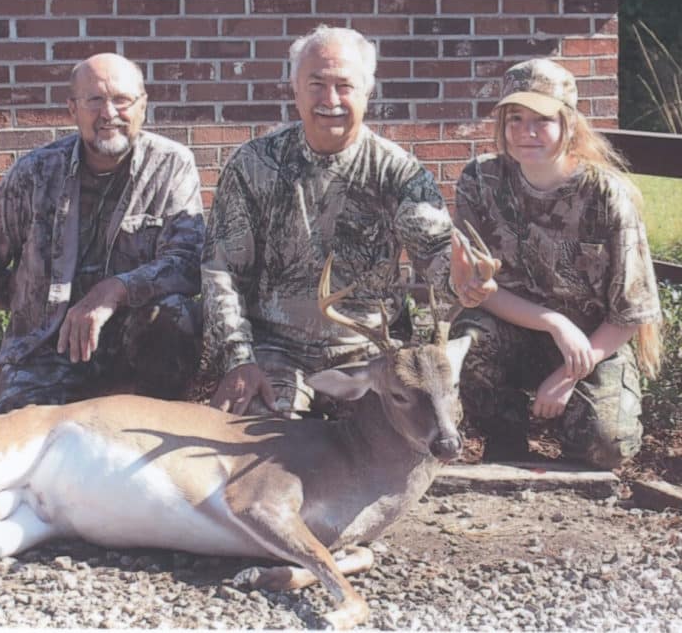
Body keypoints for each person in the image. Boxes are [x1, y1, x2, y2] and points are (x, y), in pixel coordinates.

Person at [202, 26, 498, 417]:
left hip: (369, 352)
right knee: (266, 438)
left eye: (344, 86)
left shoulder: (398, 173)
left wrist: (461, 280)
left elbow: (437, 250)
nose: (331, 100)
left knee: (400, 440)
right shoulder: (253, 165)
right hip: (274, 349)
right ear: (295, 88)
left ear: (367, 91)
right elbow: (221, 270)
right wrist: (238, 359)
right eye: (316, 84)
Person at [0, 52, 205, 414]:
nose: (109, 113)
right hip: (46, 351)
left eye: (121, 100)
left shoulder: (172, 165)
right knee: (19, 451)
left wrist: (114, 291)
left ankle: (151, 423)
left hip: (133, 346)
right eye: (95, 100)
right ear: (72, 109)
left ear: (143, 106)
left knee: (174, 313)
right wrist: (35, 303)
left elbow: (189, 261)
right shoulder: (34, 173)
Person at [454, 58, 662, 469]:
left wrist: (568, 375)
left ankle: (575, 426)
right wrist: (555, 322)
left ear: (569, 124)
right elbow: (479, 292)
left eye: (542, 120)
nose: (525, 132)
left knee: (606, 445)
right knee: (468, 342)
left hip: (593, 341)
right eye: (514, 118)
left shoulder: (607, 196)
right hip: (515, 329)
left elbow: (632, 312)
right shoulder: (480, 181)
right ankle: (506, 439)